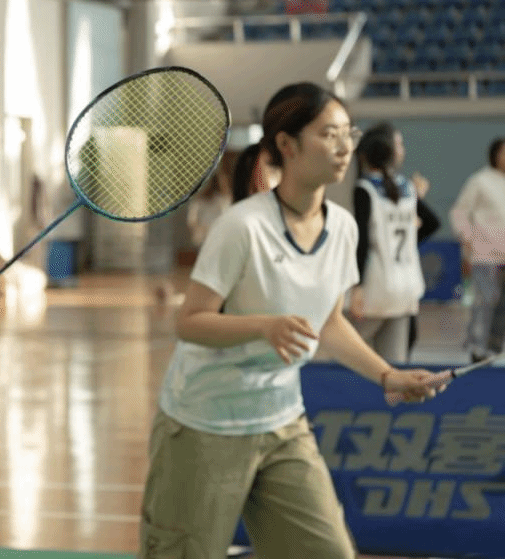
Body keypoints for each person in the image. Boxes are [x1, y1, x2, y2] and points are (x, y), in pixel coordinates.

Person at [139, 83, 439, 559]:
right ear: (287, 144)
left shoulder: (343, 227)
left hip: (282, 421)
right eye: (328, 134)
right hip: (204, 424)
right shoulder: (243, 226)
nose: (344, 147)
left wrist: (388, 375)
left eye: (348, 134)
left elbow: (330, 323)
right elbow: (190, 321)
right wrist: (264, 326)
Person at [348, 123, 428, 362]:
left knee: (349, 356)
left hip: (378, 285)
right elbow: (431, 223)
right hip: (408, 286)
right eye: (399, 144)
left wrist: (357, 286)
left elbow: (362, 242)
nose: (403, 149)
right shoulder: (408, 188)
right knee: (393, 367)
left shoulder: (365, 188)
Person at [449, 138, 505, 362]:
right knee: (486, 302)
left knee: (502, 307)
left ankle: (494, 348)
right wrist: (468, 238)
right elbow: (459, 212)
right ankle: (476, 348)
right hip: (485, 256)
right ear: (495, 155)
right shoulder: (480, 181)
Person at [185, 171, 231, 248]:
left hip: (214, 238)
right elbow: (192, 221)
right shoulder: (200, 200)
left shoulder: (227, 200)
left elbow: (191, 221)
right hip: (207, 239)